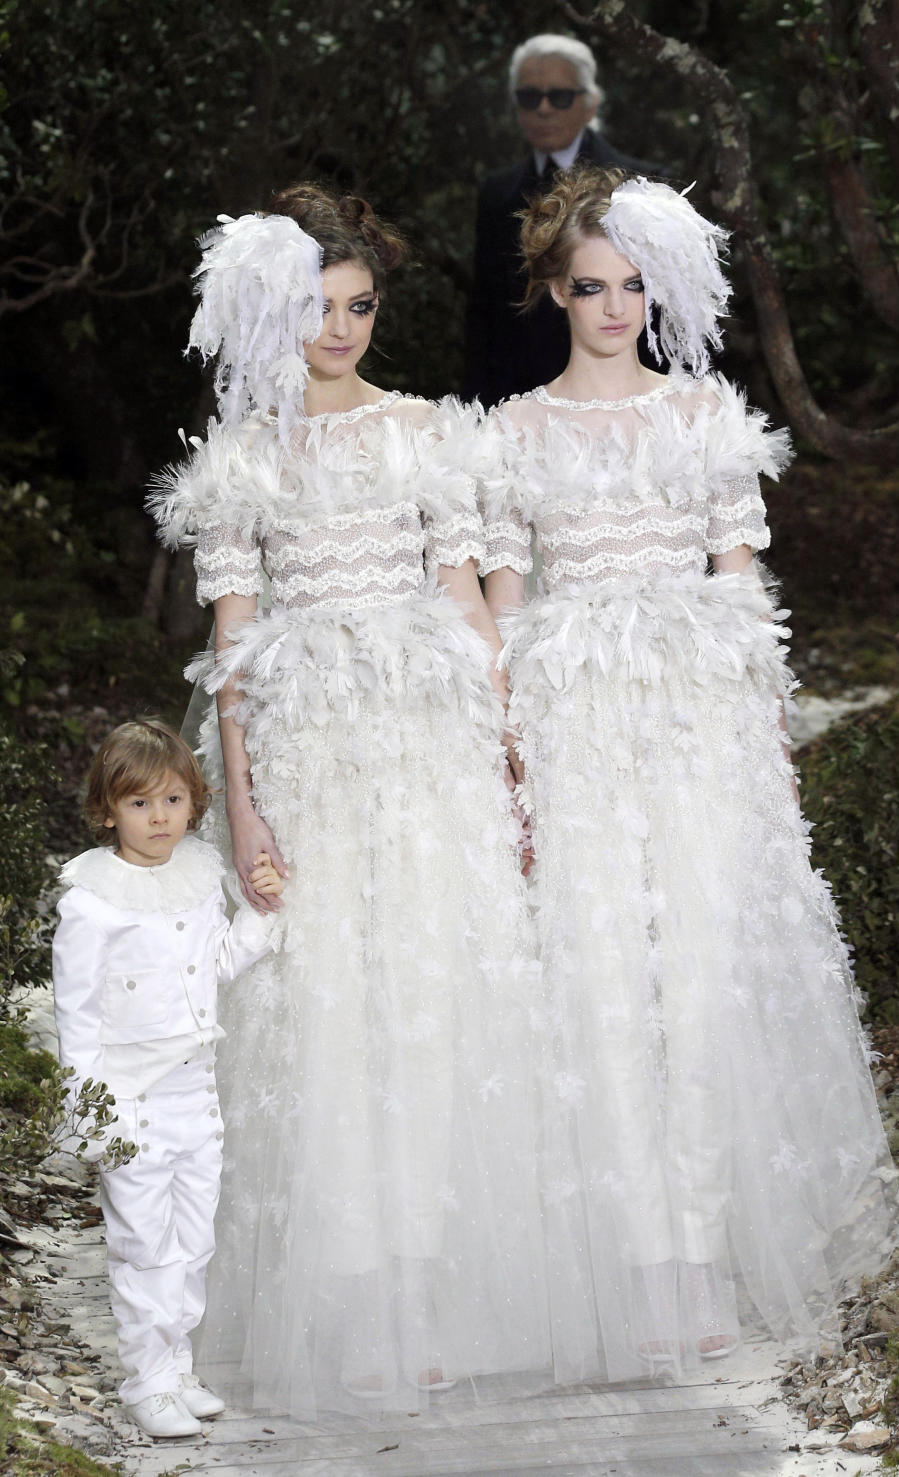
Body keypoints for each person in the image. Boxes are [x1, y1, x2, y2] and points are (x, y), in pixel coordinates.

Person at [479, 166, 898, 1385]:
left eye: (634, 286)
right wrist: (511, 762)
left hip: (703, 729)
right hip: (576, 730)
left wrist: (770, 740)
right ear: (557, 291)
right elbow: (505, 607)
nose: (616, 306)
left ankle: (707, 1251)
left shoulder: (708, 415)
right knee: (605, 983)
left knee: (704, 980)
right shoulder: (508, 436)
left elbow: (741, 586)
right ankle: (643, 1263)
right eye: (592, 286)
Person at [148, 186, 549, 1416]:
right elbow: (231, 647)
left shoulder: (428, 430)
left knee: (428, 1005)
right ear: (279, 312)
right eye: (319, 308)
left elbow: (472, 600)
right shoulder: (243, 456)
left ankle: (426, 1293)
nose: (341, 328)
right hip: (308, 754)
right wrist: (245, 806)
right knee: (326, 1018)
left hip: (428, 748)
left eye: (360, 306)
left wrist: (510, 743)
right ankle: (351, 1299)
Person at [52, 719, 283, 1438]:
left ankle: (175, 1363)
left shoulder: (195, 879)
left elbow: (216, 965)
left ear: (194, 803)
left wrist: (264, 908)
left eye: (173, 800)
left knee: (193, 1238)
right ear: (107, 809)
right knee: (143, 1242)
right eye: (140, 803)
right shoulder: (92, 900)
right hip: (131, 1101)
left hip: (195, 1094)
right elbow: (77, 1015)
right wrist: (90, 1112)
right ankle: (145, 1378)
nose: (159, 818)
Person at [463, 34, 660, 406]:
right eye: (529, 97)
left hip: (628, 399)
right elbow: (485, 313)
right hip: (519, 399)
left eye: (560, 96)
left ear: (590, 104)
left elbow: (669, 309)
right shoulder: (496, 192)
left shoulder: (643, 186)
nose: (544, 109)